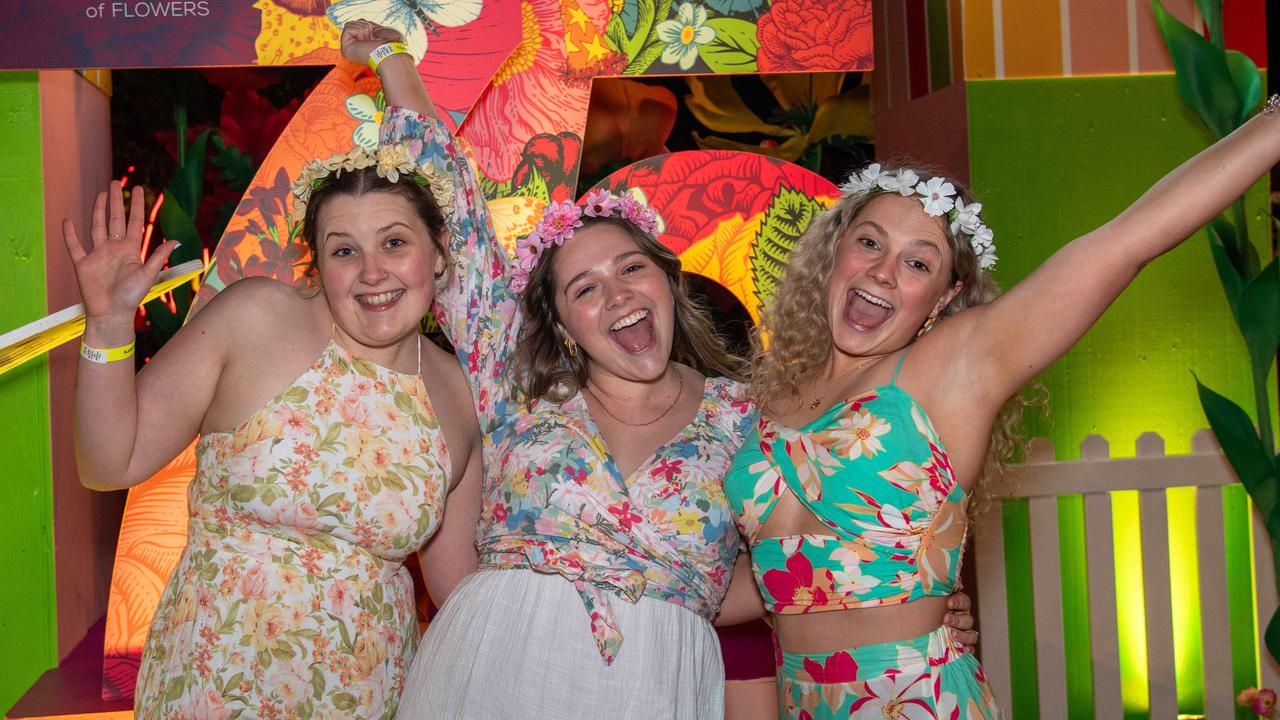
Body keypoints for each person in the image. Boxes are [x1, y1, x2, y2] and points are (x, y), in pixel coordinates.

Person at [335, 20, 977, 719]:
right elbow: (453, 210)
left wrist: (906, 604)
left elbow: (823, 537)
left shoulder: (748, 418)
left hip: (658, 680)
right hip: (498, 663)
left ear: (668, 285)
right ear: (562, 326)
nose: (616, 294)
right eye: (584, 289)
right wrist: (393, 59)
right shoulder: (517, 386)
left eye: (632, 268)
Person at [724, 97, 1280, 718]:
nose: (883, 272)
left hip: (913, 701)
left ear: (946, 295)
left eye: (917, 262)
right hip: (799, 700)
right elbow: (771, 571)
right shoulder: (771, 399)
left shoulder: (954, 364)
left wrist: (1273, 125)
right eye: (869, 243)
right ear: (834, 255)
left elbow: (1125, 242)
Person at [62, 125, 480, 716]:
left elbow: (459, 590)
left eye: (394, 243)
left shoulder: (459, 395)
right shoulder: (256, 317)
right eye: (344, 250)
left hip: (366, 695)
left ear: (437, 252)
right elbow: (108, 464)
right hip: (213, 680)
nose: (371, 272)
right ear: (318, 264)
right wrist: (107, 327)